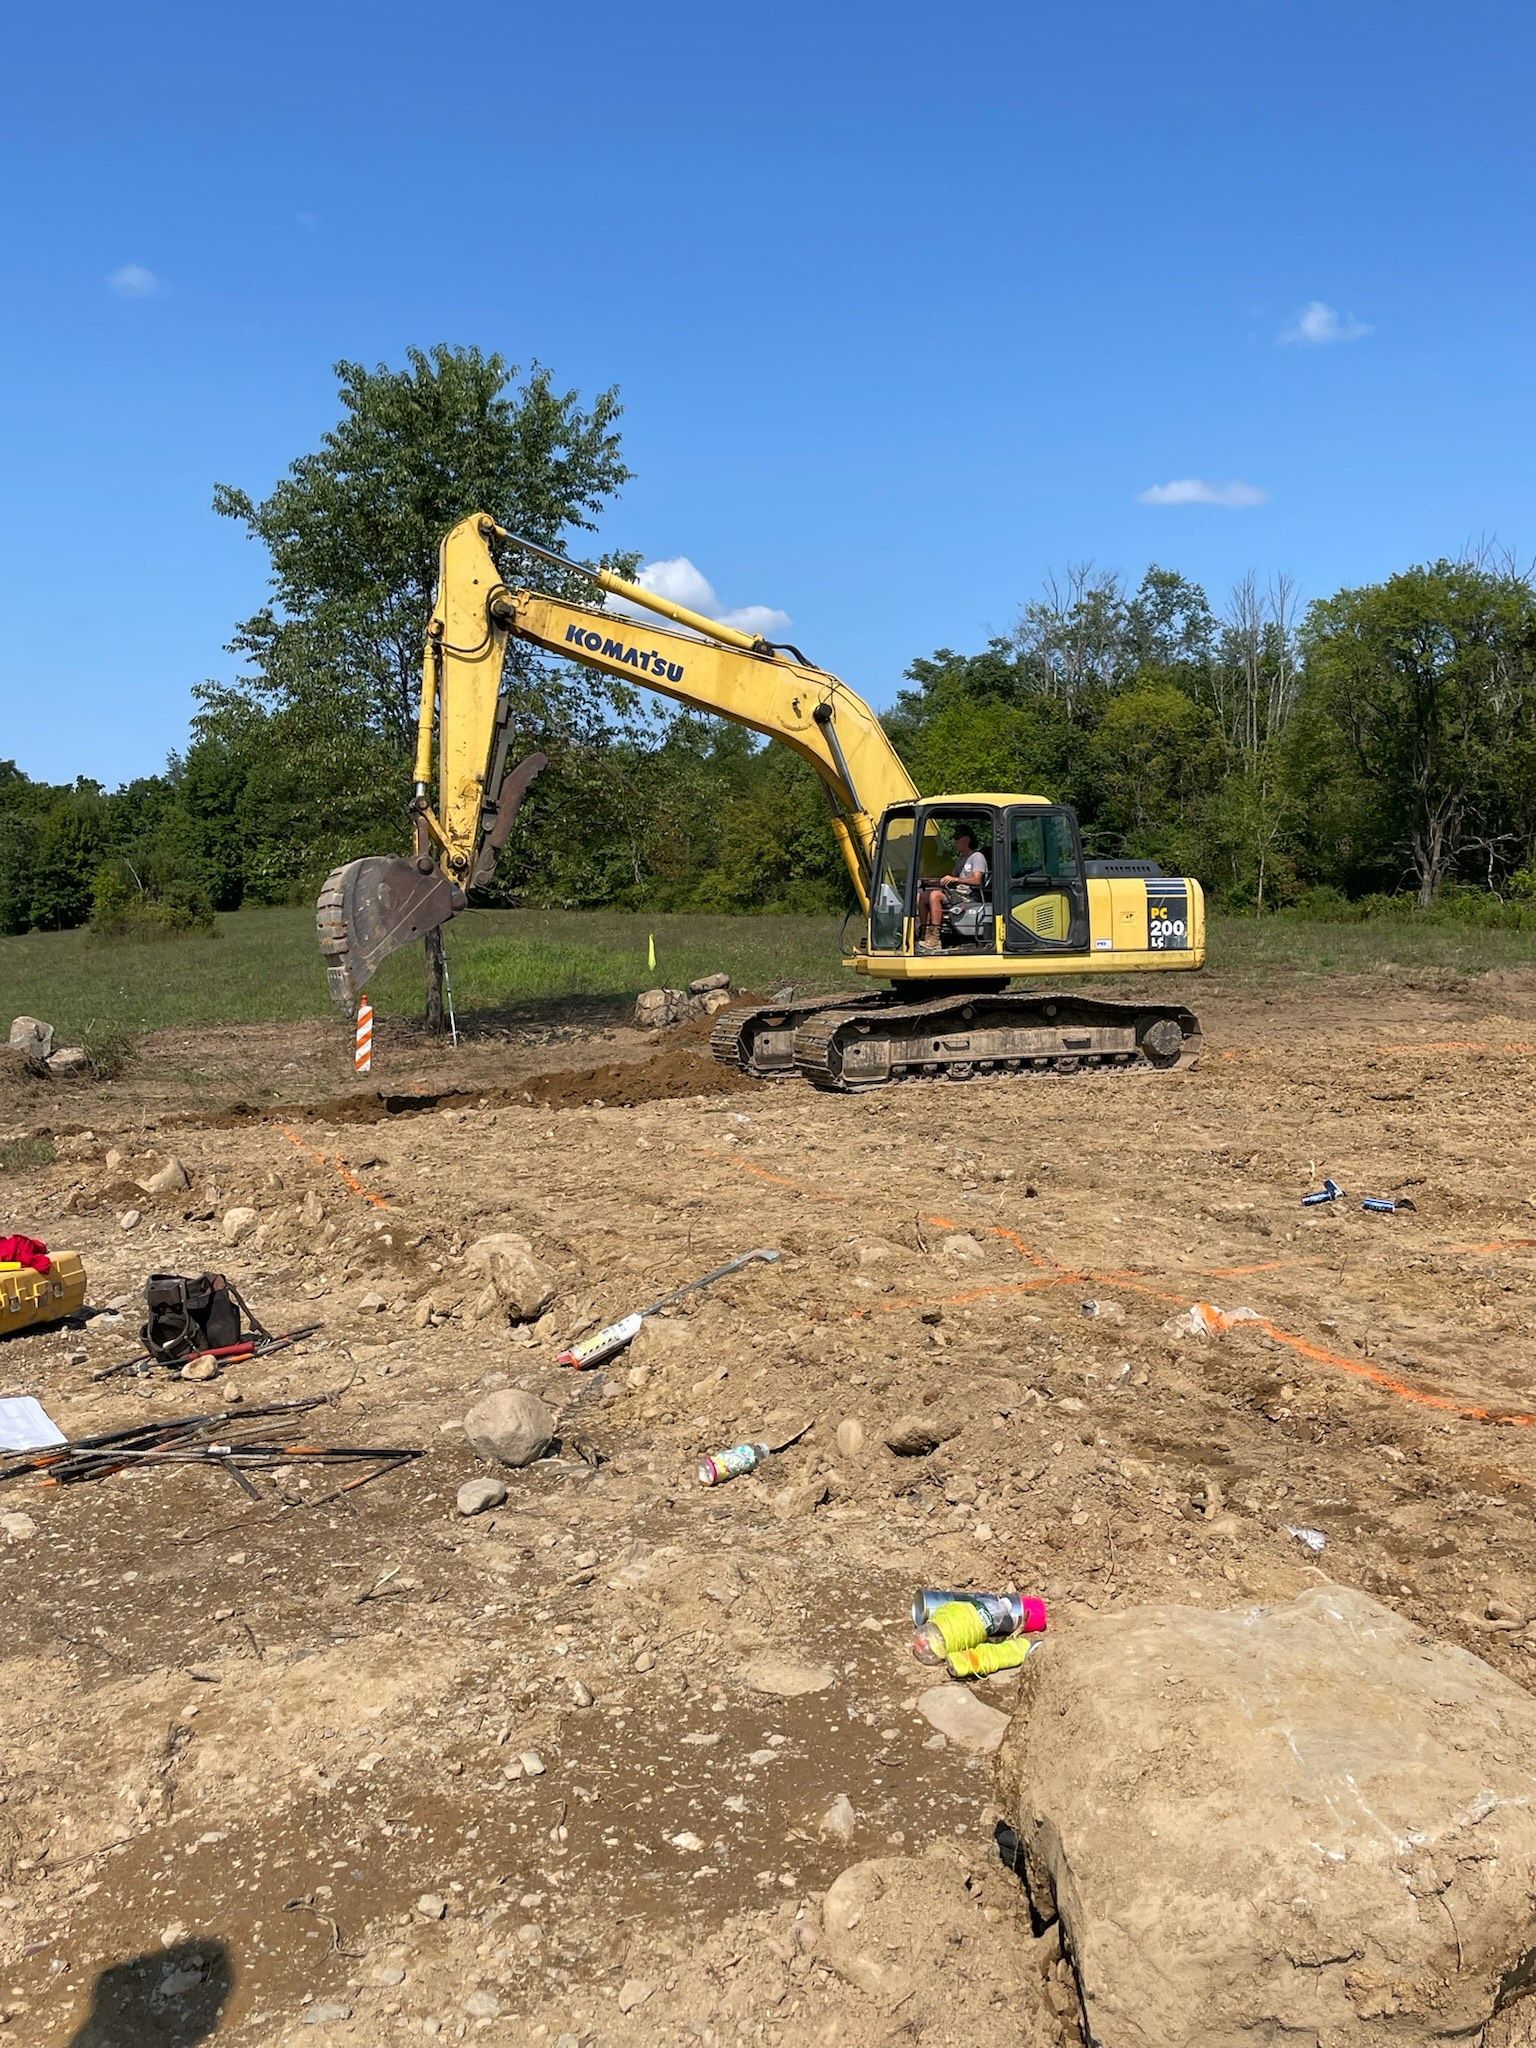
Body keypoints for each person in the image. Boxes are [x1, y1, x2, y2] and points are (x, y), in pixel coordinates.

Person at [918, 826, 988, 952]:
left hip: (969, 896)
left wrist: (955, 880)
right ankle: (925, 934)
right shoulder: (961, 859)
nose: (955, 843)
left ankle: (935, 939)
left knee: (935, 896)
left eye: (957, 839)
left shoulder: (977, 857)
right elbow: (951, 880)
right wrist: (933, 882)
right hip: (956, 894)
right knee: (923, 896)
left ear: (966, 839)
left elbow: (977, 880)